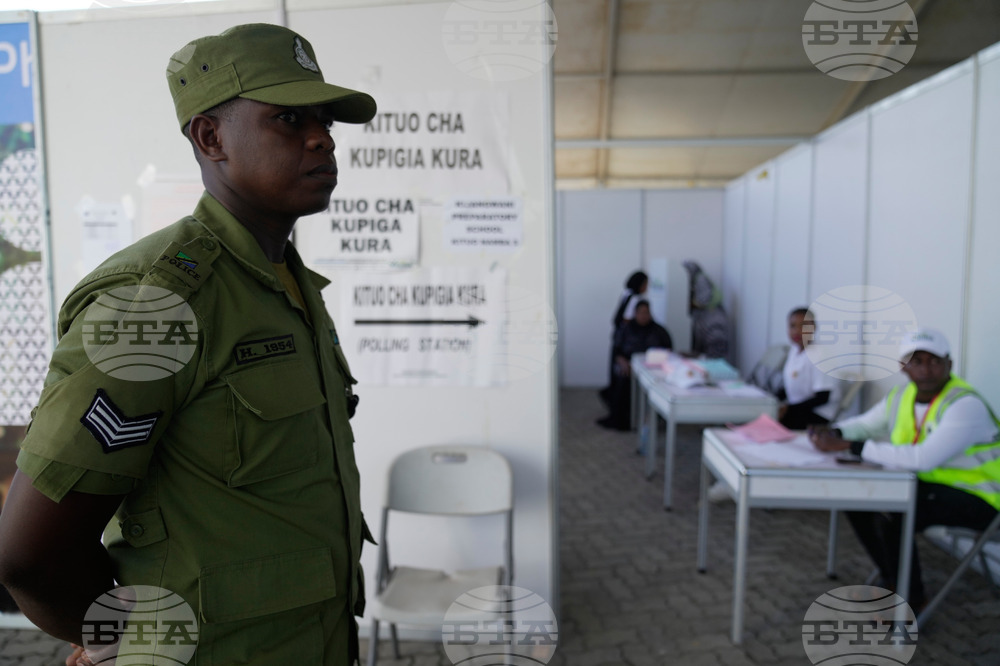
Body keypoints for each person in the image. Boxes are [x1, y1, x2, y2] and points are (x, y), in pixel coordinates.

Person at [0, 24, 376, 666]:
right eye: (288, 118)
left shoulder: (284, 281)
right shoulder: (158, 302)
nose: (321, 138)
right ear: (210, 137)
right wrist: (119, 642)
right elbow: (32, 554)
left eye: (324, 121)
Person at [809, 328, 1000, 611]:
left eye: (934, 361)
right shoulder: (902, 396)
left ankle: (910, 599)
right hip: (932, 487)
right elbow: (865, 424)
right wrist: (833, 431)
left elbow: (922, 458)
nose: (925, 369)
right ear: (903, 366)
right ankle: (893, 579)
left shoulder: (964, 404)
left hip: (982, 499)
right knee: (856, 498)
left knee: (894, 510)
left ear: (949, 364)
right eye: (916, 360)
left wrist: (854, 447)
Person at [597, 300, 673, 431]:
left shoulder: (659, 330)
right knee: (622, 377)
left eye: (646, 313)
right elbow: (617, 350)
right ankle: (623, 418)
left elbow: (668, 351)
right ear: (635, 313)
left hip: (652, 368)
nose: (644, 316)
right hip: (628, 365)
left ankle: (656, 417)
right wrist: (623, 361)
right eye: (641, 313)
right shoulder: (626, 329)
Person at [777, 307, 840, 430]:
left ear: (814, 328)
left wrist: (789, 409)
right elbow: (790, 384)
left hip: (818, 415)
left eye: (803, 326)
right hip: (797, 408)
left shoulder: (821, 354)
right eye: (792, 326)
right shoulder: (794, 351)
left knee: (774, 423)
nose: (797, 331)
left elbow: (822, 397)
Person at [600, 271, 648, 406]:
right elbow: (626, 319)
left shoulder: (626, 293)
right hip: (625, 338)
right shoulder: (635, 299)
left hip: (618, 335)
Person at [682, 260, 729, 359]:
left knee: (715, 349)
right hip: (708, 320)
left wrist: (690, 304)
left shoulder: (700, 279)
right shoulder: (697, 280)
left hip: (713, 320)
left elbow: (704, 299)